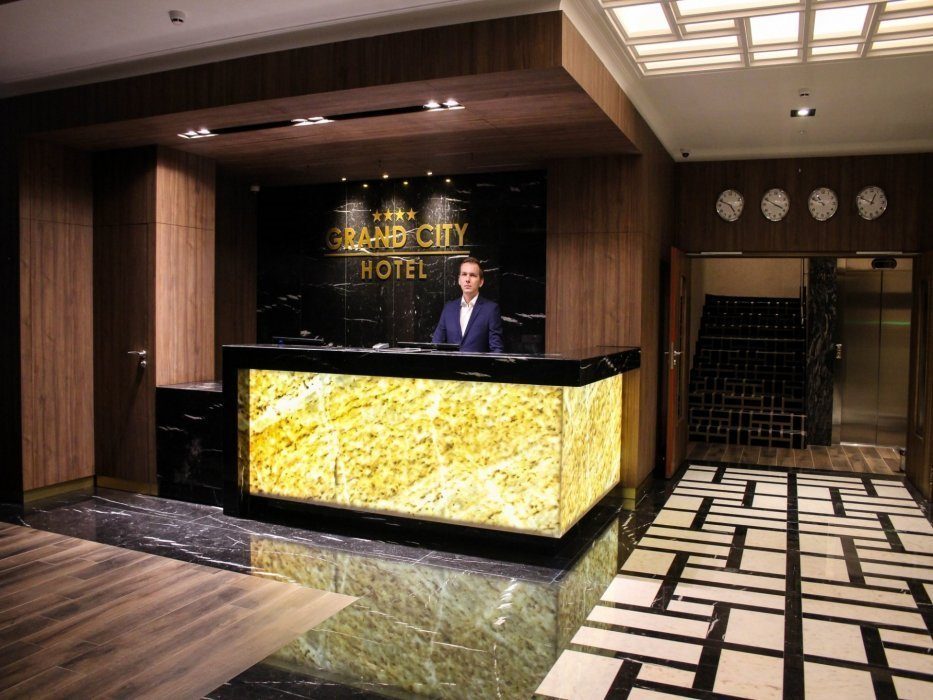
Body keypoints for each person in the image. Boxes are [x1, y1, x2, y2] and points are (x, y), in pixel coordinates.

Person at [432, 257, 504, 353]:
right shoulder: (448, 309)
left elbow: (496, 349)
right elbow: (436, 345)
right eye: (464, 274)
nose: (467, 279)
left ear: (481, 282)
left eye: (472, 275)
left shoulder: (491, 310)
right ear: (459, 280)